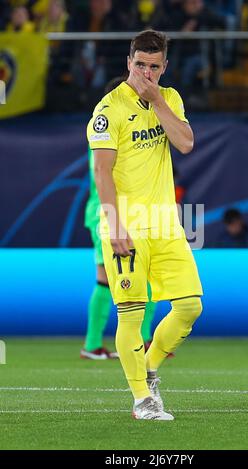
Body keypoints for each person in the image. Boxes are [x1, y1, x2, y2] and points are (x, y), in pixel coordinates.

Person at [87, 30, 203, 420]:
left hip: (166, 224)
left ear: (164, 67)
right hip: (127, 226)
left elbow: (185, 143)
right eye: (141, 65)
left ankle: (150, 368)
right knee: (132, 314)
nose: (147, 73)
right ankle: (142, 399)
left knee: (190, 307)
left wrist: (156, 102)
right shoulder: (109, 109)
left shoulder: (168, 98)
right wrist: (114, 222)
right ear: (128, 63)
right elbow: (102, 170)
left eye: (155, 67)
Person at [81, 76, 157, 360]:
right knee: (108, 279)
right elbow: (105, 178)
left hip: (121, 213)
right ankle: (94, 344)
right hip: (108, 214)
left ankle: (141, 340)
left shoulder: (119, 133)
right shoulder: (106, 132)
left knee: (141, 276)